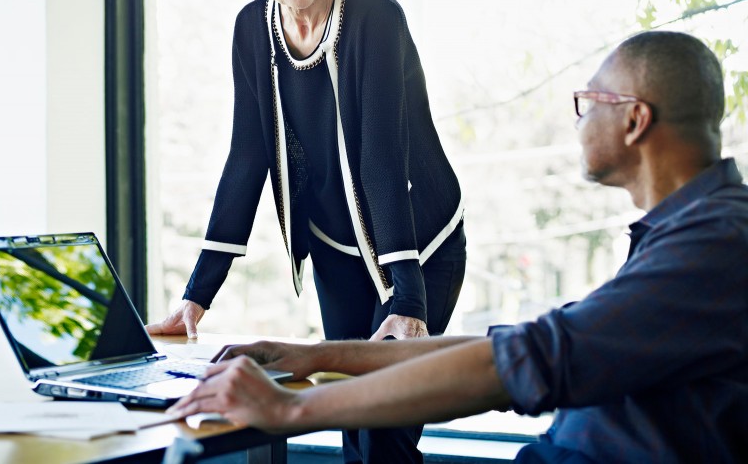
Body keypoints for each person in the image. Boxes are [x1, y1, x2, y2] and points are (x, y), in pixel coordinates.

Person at [169, 30, 748, 464]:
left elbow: (522, 364)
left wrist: (291, 411)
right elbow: (512, 347)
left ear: (635, 120)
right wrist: (317, 355)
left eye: (588, 101)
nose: (579, 121)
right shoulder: (686, 235)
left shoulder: (716, 244)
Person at [146, 0, 466, 463]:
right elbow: (248, 158)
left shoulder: (373, 11)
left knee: (387, 427)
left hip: (419, 244)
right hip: (333, 247)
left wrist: (408, 300)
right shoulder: (250, 29)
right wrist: (196, 297)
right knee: (352, 421)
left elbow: (381, 157)